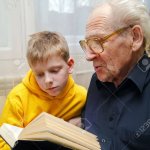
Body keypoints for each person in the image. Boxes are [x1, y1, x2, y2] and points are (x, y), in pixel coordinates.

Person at [79, 0, 150, 150]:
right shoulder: (96, 80)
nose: (89, 56)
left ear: (135, 37)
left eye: (97, 42)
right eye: (87, 44)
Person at [0, 31, 87, 150]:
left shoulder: (82, 96)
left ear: (70, 65)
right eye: (39, 74)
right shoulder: (17, 97)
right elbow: (3, 141)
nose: (47, 80)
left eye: (54, 71)